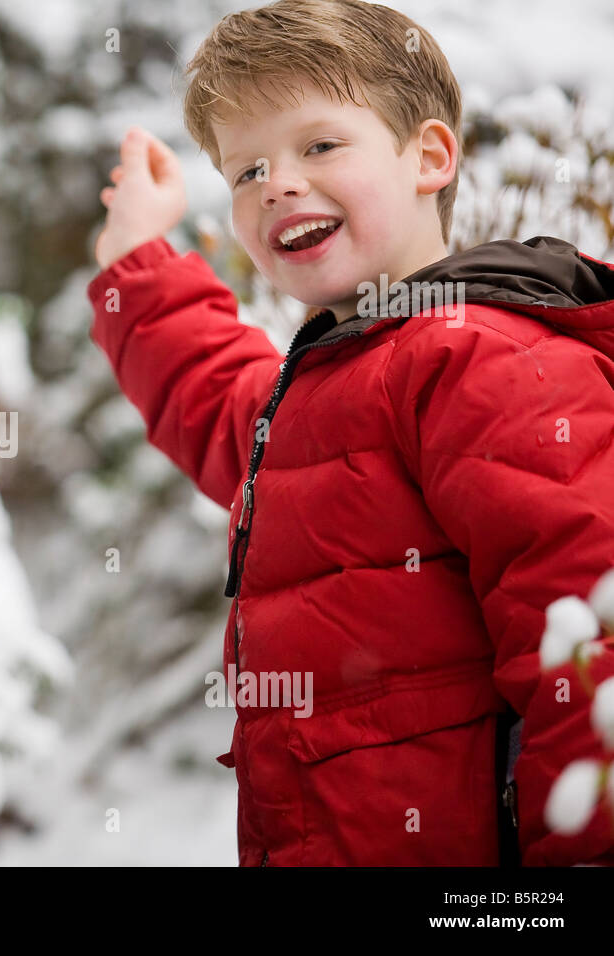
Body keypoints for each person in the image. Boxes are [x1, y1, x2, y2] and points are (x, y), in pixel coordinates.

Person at [87, 0, 614, 865]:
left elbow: (588, 636)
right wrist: (137, 259)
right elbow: (223, 403)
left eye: (320, 145)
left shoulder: (480, 359)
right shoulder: (343, 379)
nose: (277, 184)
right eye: (245, 169)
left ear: (430, 159)